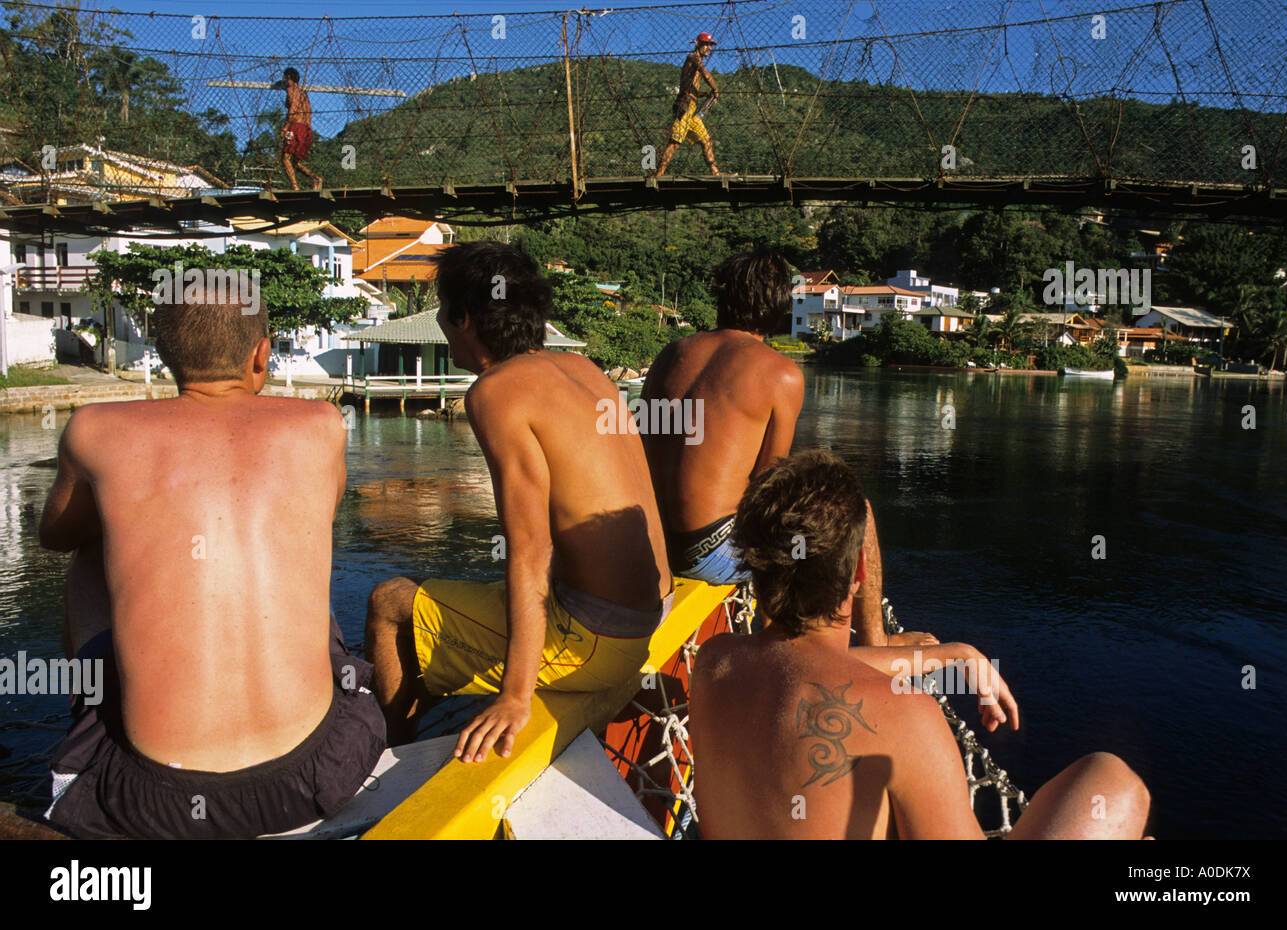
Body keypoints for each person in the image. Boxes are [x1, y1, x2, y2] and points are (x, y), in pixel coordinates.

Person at [39, 287, 385, 839]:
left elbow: (55, 535)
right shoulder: (320, 425)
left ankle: (97, 710)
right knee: (284, 550)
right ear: (260, 354)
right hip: (317, 774)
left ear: (164, 353)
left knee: (89, 552)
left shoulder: (95, 429)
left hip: (155, 798)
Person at [690, 450, 1151, 839]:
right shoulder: (906, 718)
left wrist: (951, 655)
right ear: (860, 573)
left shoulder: (715, 664)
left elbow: (805, 667)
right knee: (1112, 785)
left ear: (753, 563)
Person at [365, 241, 674, 763]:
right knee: (462, 598)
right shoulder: (584, 367)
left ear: (464, 318)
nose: (440, 323)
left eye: (443, 312)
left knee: (390, 602)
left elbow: (530, 551)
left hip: (598, 641)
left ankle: (382, 768)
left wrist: (515, 695)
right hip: (652, 611)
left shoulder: (495, 392)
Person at [640, 247, 803, 589]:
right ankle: (863, 637)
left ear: (721, 296)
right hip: (710, 553)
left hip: (649, 542)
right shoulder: (781, 374)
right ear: (779, 304)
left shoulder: (671, 353)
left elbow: (640, 448)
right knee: (848, 518)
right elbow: (767, 487)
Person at [653, 33, 722, 177]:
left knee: (706, 141)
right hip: (684, 106)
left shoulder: (696, 62)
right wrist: (715, 89)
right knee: (675, 142)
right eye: (705, 44)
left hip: (692, 108)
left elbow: (692, 90)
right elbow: (705, 74)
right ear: (698, 44)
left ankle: (716, 173)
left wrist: (705, 94)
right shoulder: (693, 57)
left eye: (710, 45)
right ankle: (658, 175)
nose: (708, 48)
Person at [277, 67, 323, 191]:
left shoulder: (291, 89)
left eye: (284, 78)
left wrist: (285, 128)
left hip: (297, 127)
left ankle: (295, 187)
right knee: (295, 163)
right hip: (307, 130)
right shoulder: (303, 94)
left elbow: (293, 109)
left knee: (285, 158)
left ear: (288, 78)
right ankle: (315, 178)